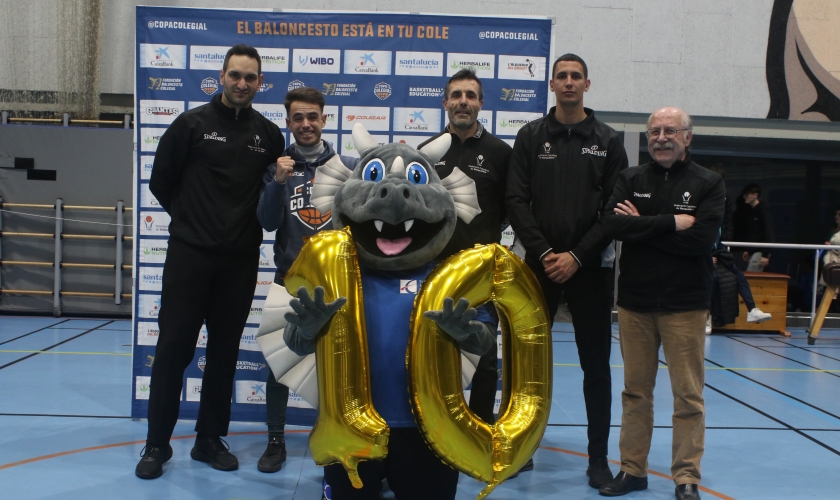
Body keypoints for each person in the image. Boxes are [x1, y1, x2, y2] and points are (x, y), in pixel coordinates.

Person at [136, 44, 285, 479]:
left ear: (260, 83)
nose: (242, 83)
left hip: (239, 263)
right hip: (190, 257)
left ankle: (209, 440)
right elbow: (161, 181)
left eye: (250, 77)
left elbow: (269, 196)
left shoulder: (269, 136)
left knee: (223, 353)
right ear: (221, 76)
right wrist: (192, 221)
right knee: (172, 350)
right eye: (235, 75)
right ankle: (156, 444)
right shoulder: (190, 125)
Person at [506, 53, 628, 488]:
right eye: (563, 76)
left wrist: (577, 255)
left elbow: (614, 209)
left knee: (596, 367)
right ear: (552, 85)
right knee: (526, 364)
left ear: (587, 85)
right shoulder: (530, 136)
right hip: (537, 267)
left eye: (577, 76)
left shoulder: (609, 140)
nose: (570, 82)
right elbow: (516, 200)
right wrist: (544, 253)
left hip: (591, 268)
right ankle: (521, 449)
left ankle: (597, 460)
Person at [598, 107, 725, 500]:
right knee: (635, 392)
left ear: (687, 137)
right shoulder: (630, 178)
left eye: (671, 130)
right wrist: (670, 222)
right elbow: (613, 224)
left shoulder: (708, 183)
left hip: (685, 305)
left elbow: (701, 241)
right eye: (654, 131)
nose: (661, 138)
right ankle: (632, 470)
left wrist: (642, 225)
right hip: (634, 304)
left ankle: (686, 477)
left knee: (688, 396)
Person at [254, 87, 358, 473]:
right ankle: (275, 441)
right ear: (289, 122)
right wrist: (278, 182)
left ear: (324, 120)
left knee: (338, 366)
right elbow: (267, 223)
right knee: (279, 364)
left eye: (312, 116)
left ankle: (335, 435)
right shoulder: (277, 168)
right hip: (289, 280)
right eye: (298, 118)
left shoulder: (346, 167)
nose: (306, 124)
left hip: (334, 284)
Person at [419, 69, 511, 428]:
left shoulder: (500, 153)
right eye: (456, 95)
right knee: (435, 353)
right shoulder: (426, 152)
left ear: (481, 104)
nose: (463, 102)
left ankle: (482, 430)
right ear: (445, 103)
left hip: (480, 273)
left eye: (470, 95)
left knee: (484, 358)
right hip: (434, 271)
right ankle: (439, 431)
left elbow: (508, 210)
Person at [732, 183, 775, 272]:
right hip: (754, 250)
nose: (744, 196)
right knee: (750, 275)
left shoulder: (763, 211)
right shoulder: (752, 213)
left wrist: (765, 255)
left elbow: (768, 232)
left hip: (760, 251)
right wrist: (748, 249)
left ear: (755, 195)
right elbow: (753, 233)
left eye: (747, 194)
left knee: (752, 276)